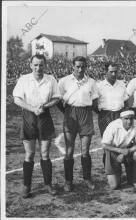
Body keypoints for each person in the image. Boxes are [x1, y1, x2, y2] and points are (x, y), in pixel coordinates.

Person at [13, 54, 60, 198]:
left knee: (45, 153)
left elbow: (57, 98)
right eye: (35, 65)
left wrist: (44, 106)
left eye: (41, 65)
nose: (38, 67)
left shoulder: (50, 79)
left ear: (45, 66)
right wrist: (31, 108)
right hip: (28, 117)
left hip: (44, 117)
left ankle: (48, 184)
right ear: (30, 65)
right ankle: (27, 186)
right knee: (30, 153)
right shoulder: (24, 79)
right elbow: (17, 99)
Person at [58, 56, 98, 191]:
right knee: (69, 151)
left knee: (85, 151)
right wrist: (67, 112)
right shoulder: (64, 81)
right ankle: (68, 181)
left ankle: (87, 179)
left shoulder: (91, 82)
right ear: (73, 67)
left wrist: (87, 111)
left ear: (86, 67)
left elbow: (95, 102)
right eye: (78, 67)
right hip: (70, 115)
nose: (80, 69)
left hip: (86, 115)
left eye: (83, 67)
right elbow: (58, 99)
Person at [101, 109, 136, 194]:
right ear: (121, 118)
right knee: (114, 186)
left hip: (128, 150)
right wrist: (120, 150)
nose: (129, 121)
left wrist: (127, 151)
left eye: (131, 118)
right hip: (113, 150)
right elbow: (104, 145)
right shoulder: (113, 125)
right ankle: (112, 169)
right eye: (126, 119)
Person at [96, 62, 129, 136]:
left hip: (119, 115)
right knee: (107, 140)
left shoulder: (122, 84)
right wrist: (102, 113)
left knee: (120, 139)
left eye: (115, 72)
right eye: (111, 72)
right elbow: (94, 104)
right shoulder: (99, 86)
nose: (114, 74)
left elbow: (126, 101)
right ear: (106, 72)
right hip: (105, 115)